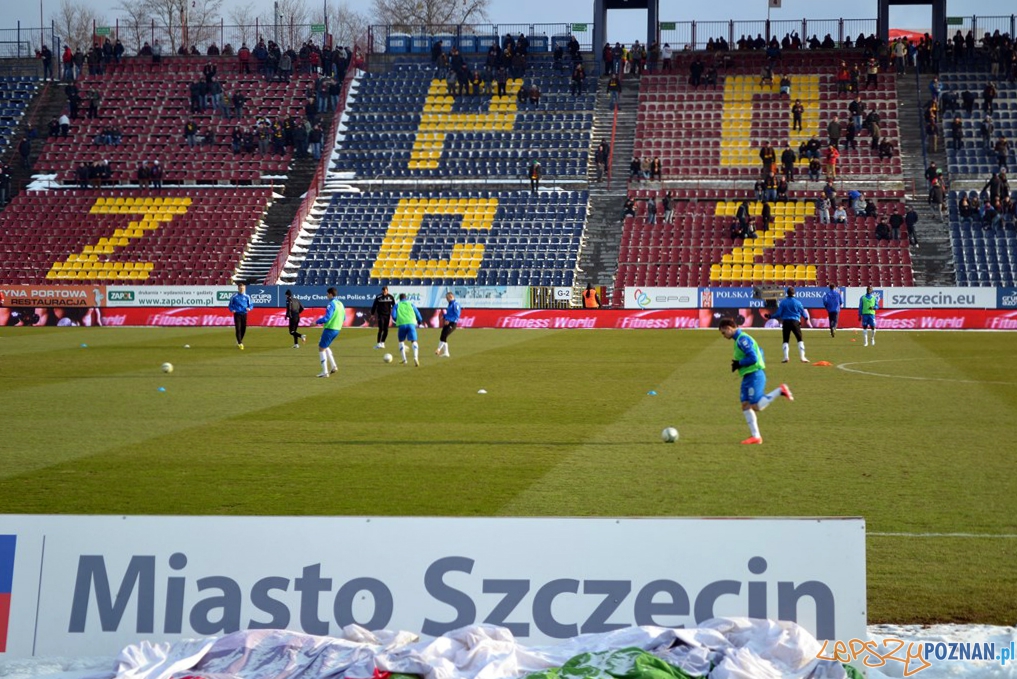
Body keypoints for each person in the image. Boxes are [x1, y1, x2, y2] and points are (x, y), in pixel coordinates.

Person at [718, 317, 794, 445]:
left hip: (754, 375)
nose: (723, 336)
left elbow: (753, 357)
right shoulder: (740, 339)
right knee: (745, 405)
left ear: (729, 328)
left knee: (756, 406)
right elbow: (760, 351)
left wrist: (739, 363)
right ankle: (756, 437)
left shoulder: (742, 339)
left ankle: (780, 390)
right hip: (748, 376)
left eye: (723, 332)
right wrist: (739, 364)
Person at [773, 286, 809, 363]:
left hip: (786, 322)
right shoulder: (797, 302)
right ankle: (802, 357)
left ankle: (786, 357)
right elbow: (803, 312)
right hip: (795, 322)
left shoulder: (783, 302)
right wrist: (806, 317)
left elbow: (778, 313)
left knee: (785, 340)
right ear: (794, 294)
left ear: (787, 293)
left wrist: (770, 316)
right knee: (799, 339)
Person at [314, 287, 344, 377]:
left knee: (321, 348)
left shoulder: (331, 304)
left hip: (330, 328)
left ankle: (325, 372)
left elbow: (327, 317)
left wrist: (316, 322)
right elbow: (344, 317)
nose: (326, 295)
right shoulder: (340, 303)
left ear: (331, 294)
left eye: (327, 294)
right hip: (337, 329)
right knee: (325, 346)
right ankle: (334, 366)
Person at [393, 293, 423, 366]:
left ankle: (404, 359)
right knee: (414, 341)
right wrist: (419, 320)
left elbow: (393, 315)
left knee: (401, 341)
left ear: (399, 299)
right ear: (406, 298)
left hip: (402, 325)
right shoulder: (411, 304)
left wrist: (397, 319)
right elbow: (417, 313)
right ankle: (415, 357)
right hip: (411, 324)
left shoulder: (397, 305)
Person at [435, 292, 462, 358]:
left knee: (444, 336)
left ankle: (438, 349)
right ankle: (446, 353)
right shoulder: (450, 305)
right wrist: (444, 316)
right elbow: (449, 314)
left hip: (452, 323)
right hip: (447, 322)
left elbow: (457, 315)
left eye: (447, 298)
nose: (446, 299)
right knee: (443, 336)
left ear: (450, 296)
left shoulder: (456, 304)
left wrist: (449, 320)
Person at [228, 282, 253, 349]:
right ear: (238, 288)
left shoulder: (247, 297)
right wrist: (232, 310)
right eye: (240, 288)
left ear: (245, 288)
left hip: (244, 314)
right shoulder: (234, 296)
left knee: (243, 329)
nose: (242, 289)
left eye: (243, 288)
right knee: (238, 328)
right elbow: (230, 305)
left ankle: (239, 340)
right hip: (237, 314)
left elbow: (251, 305)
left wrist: (249, 308)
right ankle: (240, 343)